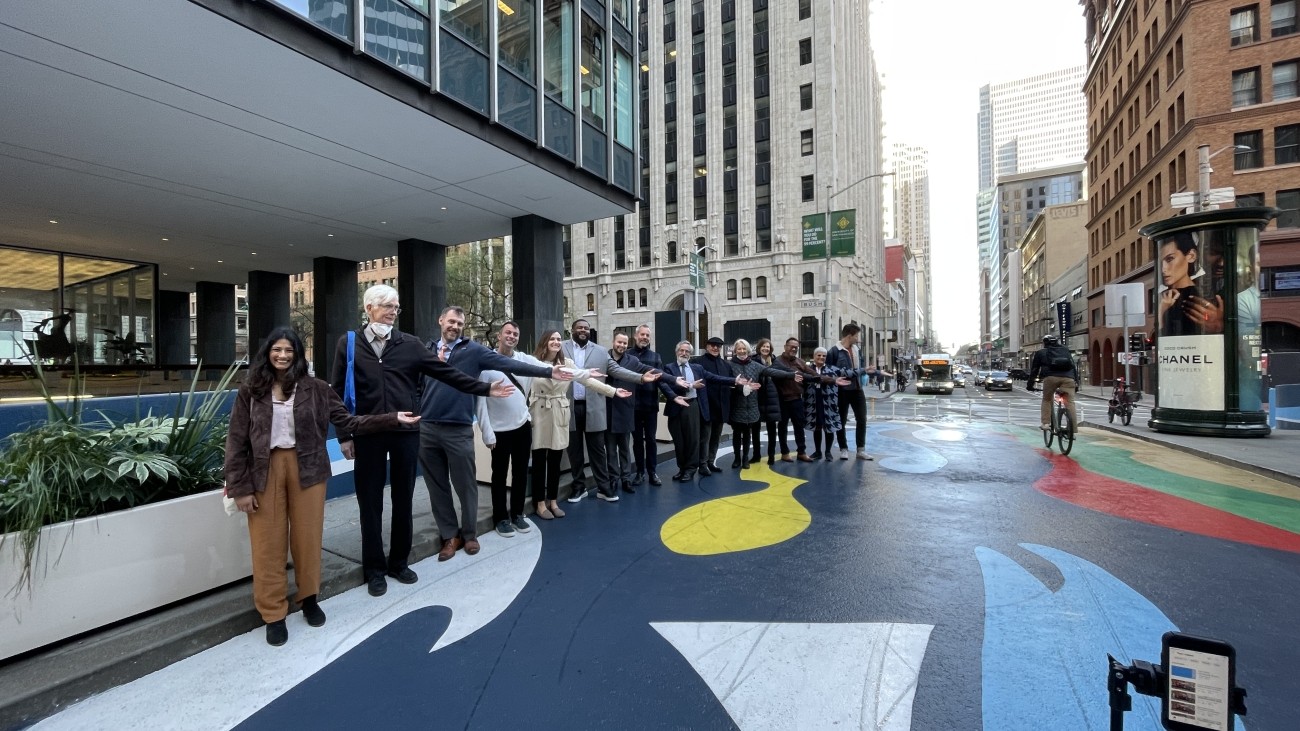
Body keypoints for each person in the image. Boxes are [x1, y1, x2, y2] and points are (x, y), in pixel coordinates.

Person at [227, 327, 420, 646]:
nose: (283, 356)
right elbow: (235, 441)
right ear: (267, 353)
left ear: (299, 355)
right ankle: (273, 613)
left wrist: (390, 418)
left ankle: (309, 598)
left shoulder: (315, 388)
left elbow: (351, 422)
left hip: (309, 468)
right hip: (265, 469)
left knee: (307, 538)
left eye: (289, 351)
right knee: (267, 544)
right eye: (277, 350)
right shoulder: (251, 390)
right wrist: (240, 488)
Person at [329, 285, 513, 599]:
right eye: (387, 305)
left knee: (403, 499)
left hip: (406, 434)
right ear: (369, 307)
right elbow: (336, 393)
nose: (393, 311)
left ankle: (398, 562)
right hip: (367, 434)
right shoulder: (348, 344)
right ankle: (374, 570)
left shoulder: (409, 344)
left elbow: (446, 373)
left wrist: (485, 390)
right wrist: (344, 435)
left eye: (396, 307)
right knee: (369, 505)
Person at [419, 307, 568, 562]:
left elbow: (511, 364)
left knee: (467, 485)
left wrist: (549, 371)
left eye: (460, 323)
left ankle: (471, 534)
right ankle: (449, 536)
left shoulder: (474, 351)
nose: (455, 326)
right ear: (440, 320)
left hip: (462, 427)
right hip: (430, 428)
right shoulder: (426, 350)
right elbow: (416, 383)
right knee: (438, 487)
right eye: (451, 321)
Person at [476, 320, 565, 538]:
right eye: (508, 332)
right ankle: (500, 519)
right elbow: (480, 403)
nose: (512, 336)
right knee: (499, 476)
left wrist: (581, 373)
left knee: (520, 474)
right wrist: (486, 432)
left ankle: (517, 514)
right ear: (499, 335)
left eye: (516, 334)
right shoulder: (486, 364)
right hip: (498, 431)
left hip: (522, 426)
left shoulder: (525, 360)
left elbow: (547, 369)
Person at [529, 330, 624, 517]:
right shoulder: (533, 362)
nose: (556, 342)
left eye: (558, 339)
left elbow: (588, 381)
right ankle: (540, 504)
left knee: (555, 460)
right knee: (540, 461)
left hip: (559, 412)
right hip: (539, 413)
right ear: (544, 342)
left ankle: (553, 501)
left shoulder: (567, 363)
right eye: (552, 339)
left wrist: (613, 391)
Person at [563, 319, 656, 503]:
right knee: (574, 451)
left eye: (586, 328)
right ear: (572, 330)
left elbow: (617, 370)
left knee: (598, 450)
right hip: (570, 407)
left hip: (594, 407)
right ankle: (579, 486)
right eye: (579, 327)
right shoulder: (561, 348)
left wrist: (640, 378)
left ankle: (603, 487)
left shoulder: (599, 351)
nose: (583, 330)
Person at [727, 339, 798, 468]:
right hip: (737, 404)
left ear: (748, 350)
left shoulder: (754, 364)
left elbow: (772, 372)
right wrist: (741, 388)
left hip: (753, 405)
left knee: (748, 433)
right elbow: (727, 382)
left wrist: (791, 375)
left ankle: (745, 459)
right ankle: (737, 458)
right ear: (735, 350)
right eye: (739, 349)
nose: (742, 351)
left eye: (744, 349)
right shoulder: (729, 365)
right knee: (737, 433)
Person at [827, 324, 876, 461]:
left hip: (857, 389)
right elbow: (832, 373)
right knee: (841, 420)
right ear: (849, 336)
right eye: (856, 336)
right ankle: (843, 449)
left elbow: (860, 368)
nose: (858, 339)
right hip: (842, 391)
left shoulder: (856, 349)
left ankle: (861, 450)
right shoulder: (834, 351)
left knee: (862, 419)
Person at [628, 324, 665, 486]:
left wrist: (673, 395)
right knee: (636, 442)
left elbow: (662, 381)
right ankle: (639, 473)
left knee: (650, 440)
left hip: (650, 406)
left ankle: (653, 472)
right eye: (642, 334)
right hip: (632, 406)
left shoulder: (656, 357)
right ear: (636, 336)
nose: (644, 338)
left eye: (647, 335)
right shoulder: (627, 355)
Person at [753, 338, 798, 466]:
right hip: (757, 397)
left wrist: (796, 374)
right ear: (759, 347)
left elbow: (785, 372)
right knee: (755, 428)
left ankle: (771, 456)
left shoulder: (775, 361)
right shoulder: (753, 360)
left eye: (768, 347)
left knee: (772, 429)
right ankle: (756, 455)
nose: (765, 349)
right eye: (763, 346)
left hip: (772, 397)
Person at [692, 337, 733, 474]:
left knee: (715, 437)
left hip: (721, 407)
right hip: (706, 406)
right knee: (705, 437)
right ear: (707, 346)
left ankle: (711, 461)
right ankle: (702, 464)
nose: (715, 348)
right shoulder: (697, 362)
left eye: (718, 346)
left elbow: (730, 383)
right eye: (713, 345)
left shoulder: (726, 365)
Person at [804, 347, 854, 461]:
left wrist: (866, 370)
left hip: (828, 402)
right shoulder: (807, 370)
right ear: (814, 356)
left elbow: (850, 372)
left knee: (829, 427)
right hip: (813, 401)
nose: (821, 357)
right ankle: (817, 452)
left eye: (824, 356)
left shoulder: (833, 369)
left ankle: (828, 452)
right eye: (819, 355)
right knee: (817, 427)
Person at [775, 338, 819, 462]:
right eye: (791, 346)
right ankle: (784, 452)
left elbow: (812, 374)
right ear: (785, 346)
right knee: (782, 427)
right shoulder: (777, 361)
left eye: (796, 347)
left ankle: (801, 452)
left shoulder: (800, 362)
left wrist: (826, 378)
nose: (794, 349)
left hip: (797, 400)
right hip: (782, 400)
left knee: (799, 427)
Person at [1027, 335, 1079, 432]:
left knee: (1047, 399)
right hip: (1069, 378)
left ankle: (1046, 423)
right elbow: (1073, 367)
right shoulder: (1065, 351)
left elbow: (1034, 370)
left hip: (1050, 378)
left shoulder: (1040, 353)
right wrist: (1076, 383)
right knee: (1070, 402)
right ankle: (1073, 428)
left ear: (1044, 343)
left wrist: (1030, 385)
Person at [1157, 233, 1204, 337]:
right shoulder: (1163, 297)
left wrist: (1161, 313)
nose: (1163, 269)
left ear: (1191, 256)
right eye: (1160, 262)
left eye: (1170, 259)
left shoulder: (1195, 297)